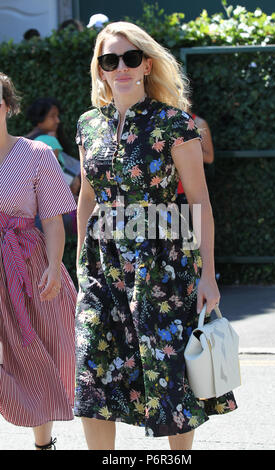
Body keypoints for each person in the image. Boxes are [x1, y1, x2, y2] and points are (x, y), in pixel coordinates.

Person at [75, 21, 237, 451]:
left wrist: (208, 275)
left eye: (131, 58)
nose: (121, 67)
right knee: (93, 369)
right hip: (101, 265)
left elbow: (199, 201)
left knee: (166, 373)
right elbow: (86, 198)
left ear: (147, 64)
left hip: (162, 262)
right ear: (101, 70)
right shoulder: (88, 125)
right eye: (111, 60)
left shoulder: (174, 123)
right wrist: (79, 266)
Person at [0, 73, 77, 450]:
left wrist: (53, 264)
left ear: (8, 107)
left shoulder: (36, 155)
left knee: (39, 352)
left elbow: (52, 218)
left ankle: (43, 444)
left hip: (26, 264)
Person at [26, 97, 78, 232]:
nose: (57, 121)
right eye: (52, 116)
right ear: (40, 118)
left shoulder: (25, 141)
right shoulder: (48, 140)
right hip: (58, 210)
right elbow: (55, 175)